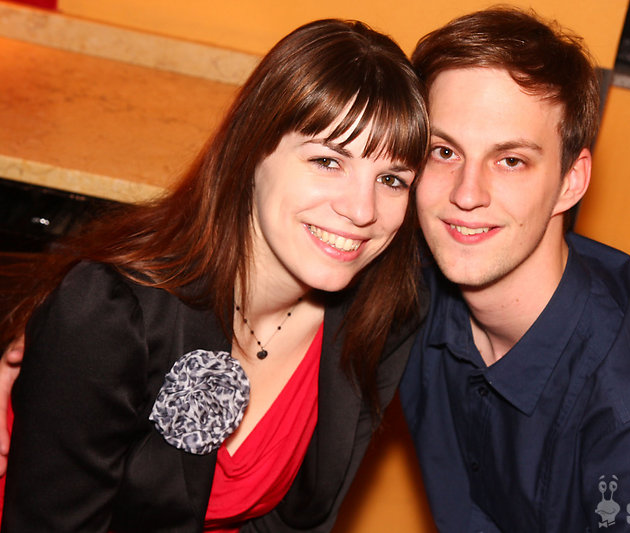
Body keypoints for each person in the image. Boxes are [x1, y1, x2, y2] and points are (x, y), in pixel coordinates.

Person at [0, 17, 428, 532]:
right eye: (327, 161)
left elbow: (298, 524)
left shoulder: (378, 318)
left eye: (391, 179)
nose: (362, 210)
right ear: (252, 150)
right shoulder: (114, 316)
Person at [398, 8, 630, 532]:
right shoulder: (411, 292)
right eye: (444, 152)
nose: (466, 194)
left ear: (570, 181)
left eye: (510, 160)